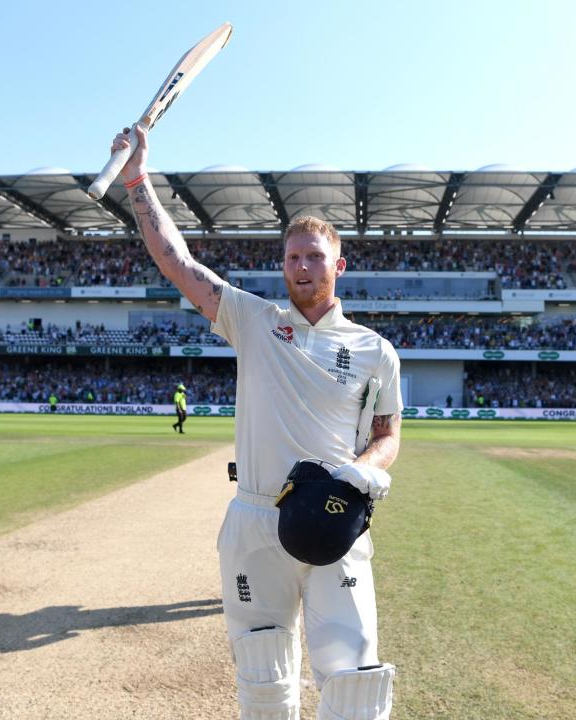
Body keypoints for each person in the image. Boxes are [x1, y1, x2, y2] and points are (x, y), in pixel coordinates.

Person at [111, 127, 402, 719]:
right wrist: (138, 181)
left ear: (338, 265)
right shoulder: (252, 318)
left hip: (332, 516)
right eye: (293, 257)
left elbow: (387, 435)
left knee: (353, 676)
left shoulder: (375, 350)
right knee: (264, 678)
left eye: (314, 256)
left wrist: (360, 472)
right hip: (255, 519)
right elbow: (176, 261)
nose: (301, 267)